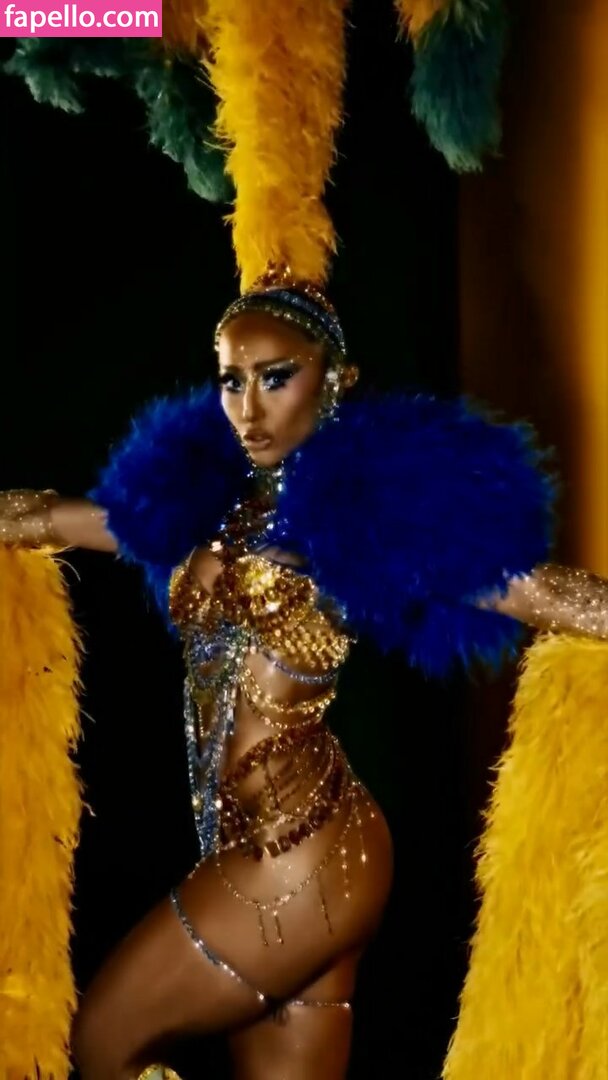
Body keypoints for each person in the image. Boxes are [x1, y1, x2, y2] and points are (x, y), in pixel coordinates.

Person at [1, 273, 606, 1080]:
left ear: (336, 380)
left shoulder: (355, 522)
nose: (249, 408)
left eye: (276, 377)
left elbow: (520, 586)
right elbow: (57, 518)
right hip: (287, 848)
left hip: (298, 851)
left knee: (106, 1043)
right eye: (232, 381)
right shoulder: (211, 511)